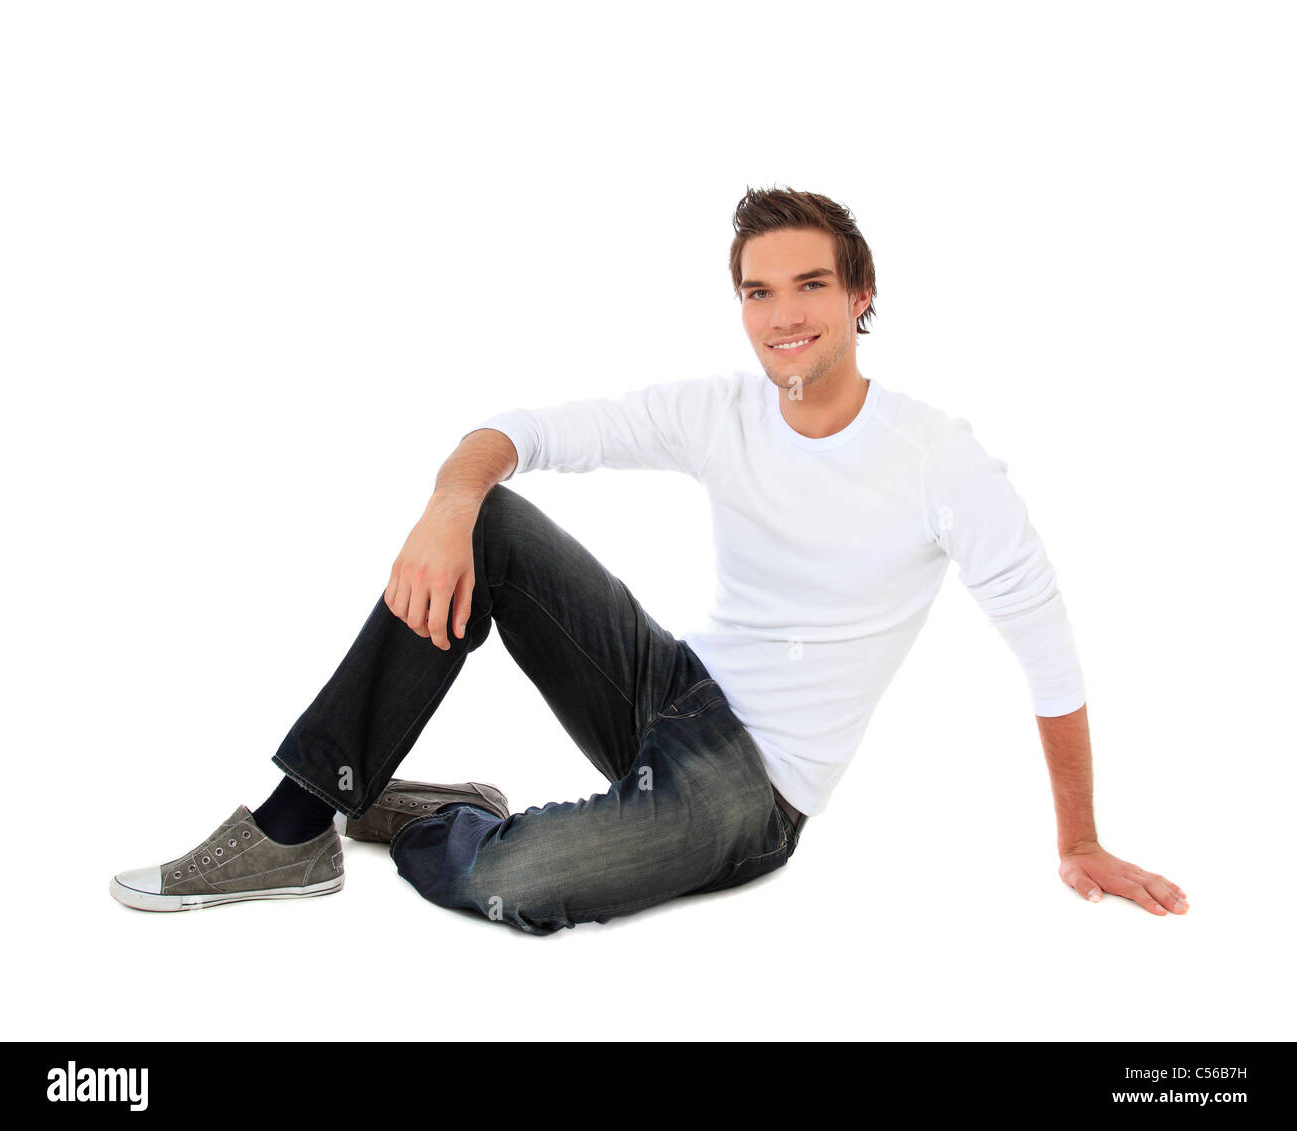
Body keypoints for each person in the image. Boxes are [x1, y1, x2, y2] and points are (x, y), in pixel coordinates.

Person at [110, 185, 1189, 932]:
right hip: (668, 692)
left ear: (862, 295)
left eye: (809, 286)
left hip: (752, 793)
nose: (782, 316)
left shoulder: (938, 461)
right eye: (757, 293)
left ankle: (443, 817)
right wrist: (449, 499)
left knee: (516, 887)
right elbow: (524, 427)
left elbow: (1048, 653)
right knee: (487, 517)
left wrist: (1080, 840)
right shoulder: (718, 411)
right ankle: (300, 820)